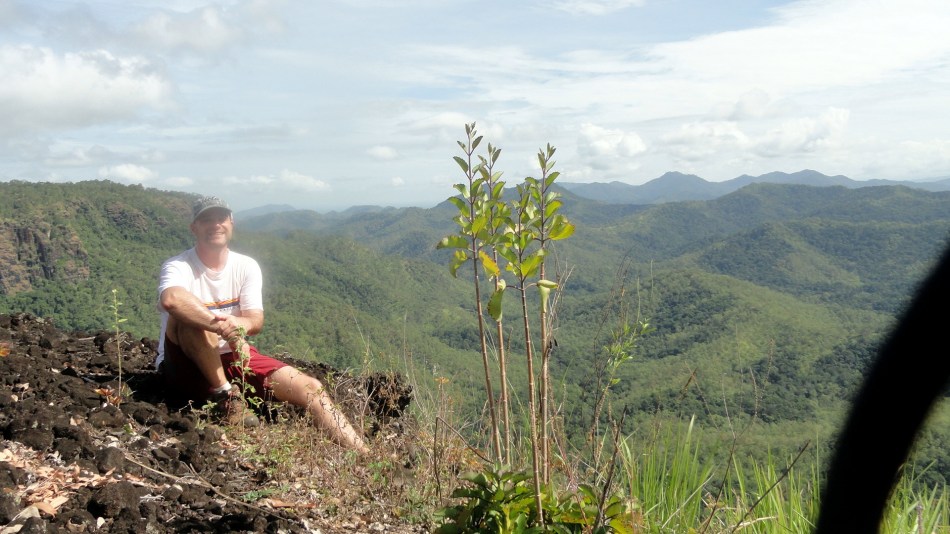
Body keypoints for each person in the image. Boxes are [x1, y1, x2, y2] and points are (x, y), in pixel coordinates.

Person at [156, 195, 368, 453]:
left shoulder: (246, 266)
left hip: (234, 356)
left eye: (221, 218)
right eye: (206, 220)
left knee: (311, 387)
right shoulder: (179, 266)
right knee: (189, 320)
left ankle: (364, 454)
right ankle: (226, 396)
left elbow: (255, 320)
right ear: (194, 227)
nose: (215, 225)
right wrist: (221, 326)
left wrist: (238, 330)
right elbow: (172, 300)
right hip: (186, 364)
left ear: (231, 223)